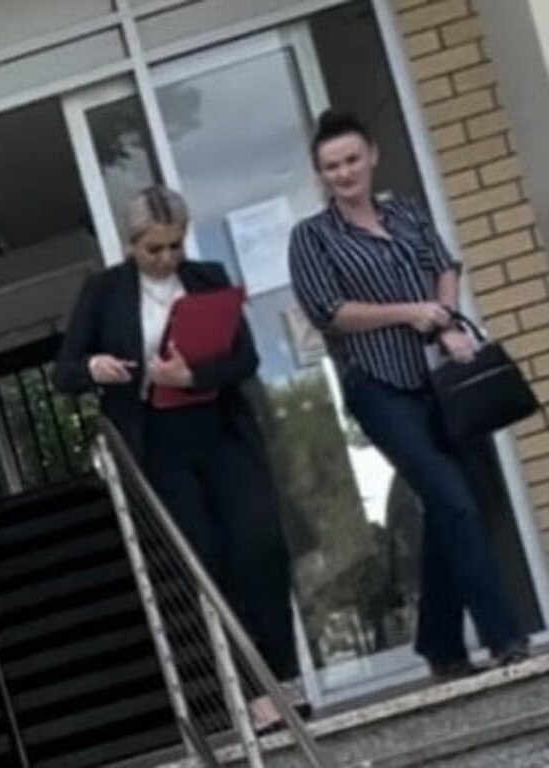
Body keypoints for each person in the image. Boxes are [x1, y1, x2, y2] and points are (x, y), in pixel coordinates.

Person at [288, 110, 529, 679]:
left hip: (441, 383)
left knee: (462, 504)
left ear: (371, 155)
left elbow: (443, 267)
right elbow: (331, 312)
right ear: (320, 175)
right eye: (331, 166)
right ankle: (506, 640)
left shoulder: (406, 211)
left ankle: (440, 646)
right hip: (379, 387)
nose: (344, 173)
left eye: (351, 160)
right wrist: (411, 313)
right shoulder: (313, 238)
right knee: (452, 501)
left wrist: (444, 318)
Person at [54, 185, 300, 730]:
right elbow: (64, 371)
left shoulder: (208, 279)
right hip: (157, 439)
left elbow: (246, 358)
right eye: (154, 249)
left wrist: (193, 376)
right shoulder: (104, 292)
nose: (166, 259)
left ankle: (285, 673)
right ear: (130, 245)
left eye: (174, 246)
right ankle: (257, 691)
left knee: (260, 543)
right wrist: (96, 367)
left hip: (219, 430)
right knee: (207, 560)